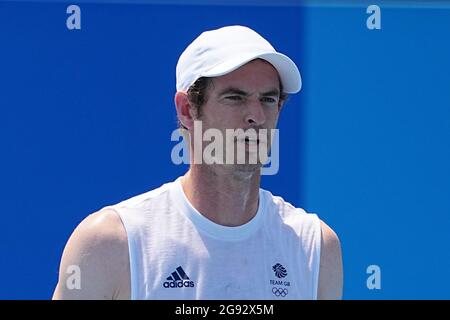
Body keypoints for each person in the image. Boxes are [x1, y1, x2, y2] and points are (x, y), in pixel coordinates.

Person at [52, 25, 343, 300]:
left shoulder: (315, 247)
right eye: (235, 97)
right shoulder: (110, 243)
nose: (257, 116)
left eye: (268, 99)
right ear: (187, 110)